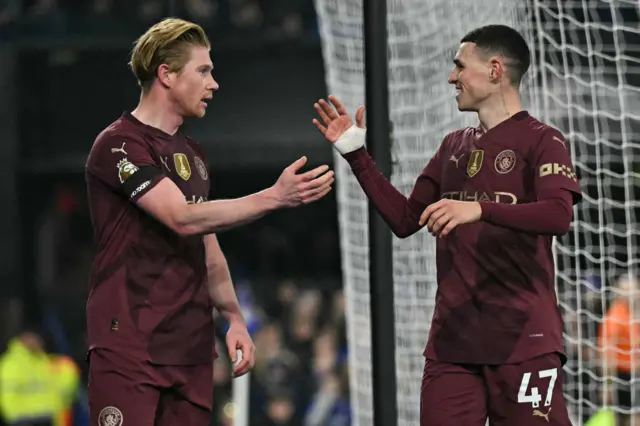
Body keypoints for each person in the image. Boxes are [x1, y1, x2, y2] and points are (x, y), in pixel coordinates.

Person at [313, 25, 581, 426]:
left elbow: (558, 215)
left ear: (494, 70)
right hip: (452, 347)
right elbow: (405, 220)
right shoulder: (453, 147)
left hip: (524, 342)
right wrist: (357, 157)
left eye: (459, 66)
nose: (451, 77)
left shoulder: (544, 140)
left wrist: (480, 210)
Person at [85, 18, 334, 426]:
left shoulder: (195, 156)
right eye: (203, 70)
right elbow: (182, 218)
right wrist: (274, 196)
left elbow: (206, 242)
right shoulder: (118, 144)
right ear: (166, 75)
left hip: (191, 349)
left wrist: (234, 317)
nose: (214, 83)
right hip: (128, 345)